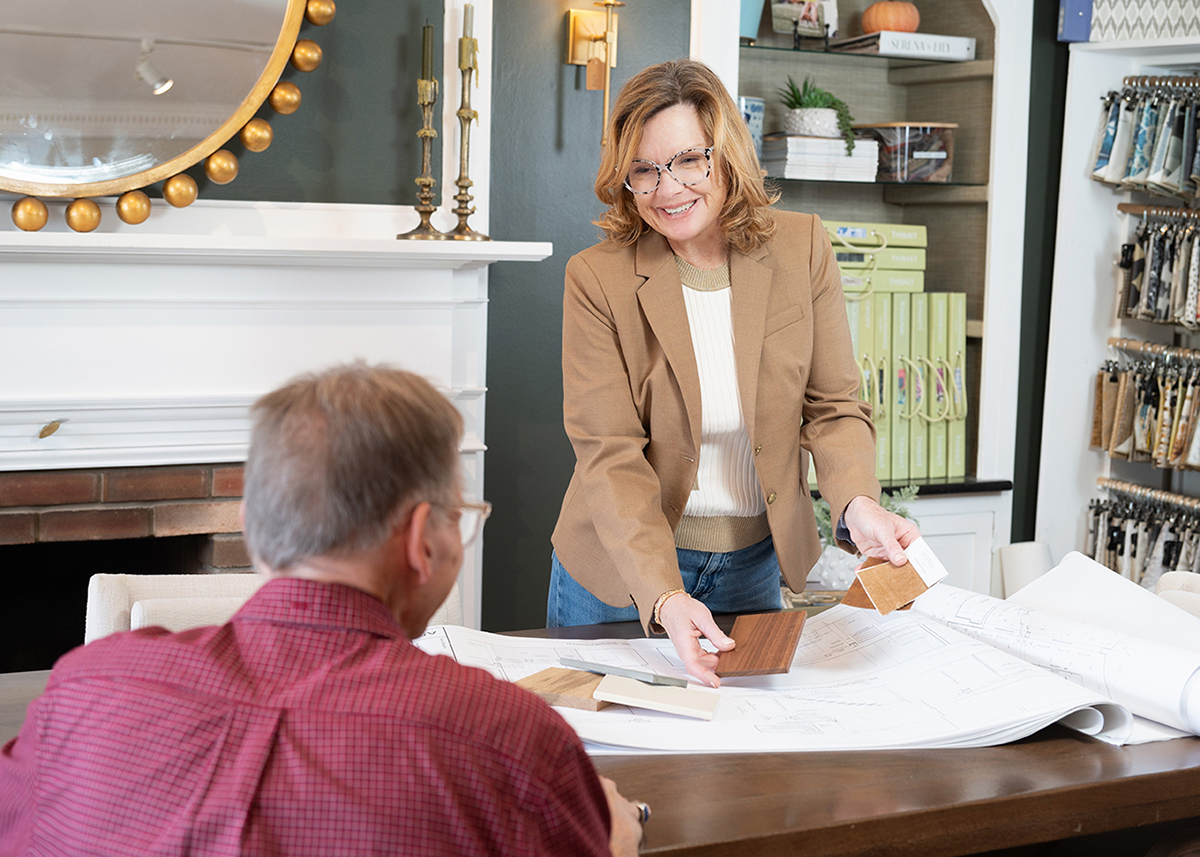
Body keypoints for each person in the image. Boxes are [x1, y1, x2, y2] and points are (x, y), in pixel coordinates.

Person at [0, 363, 643, 857]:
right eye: (461, 517)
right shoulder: (505, 738)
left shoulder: (86, 683)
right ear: (424, 539)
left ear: (252, 529)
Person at [548, 58, 922, 687]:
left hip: (751, 568)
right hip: (619, 573)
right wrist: (664, 597)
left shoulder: (802, 248)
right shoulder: (596, 279)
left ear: (726, 156)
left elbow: (833, 406)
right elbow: (609, 454)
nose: (668, 190)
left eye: (689, 161)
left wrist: (857, 503)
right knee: (608, 768)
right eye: (644, 170)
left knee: (738, 762)